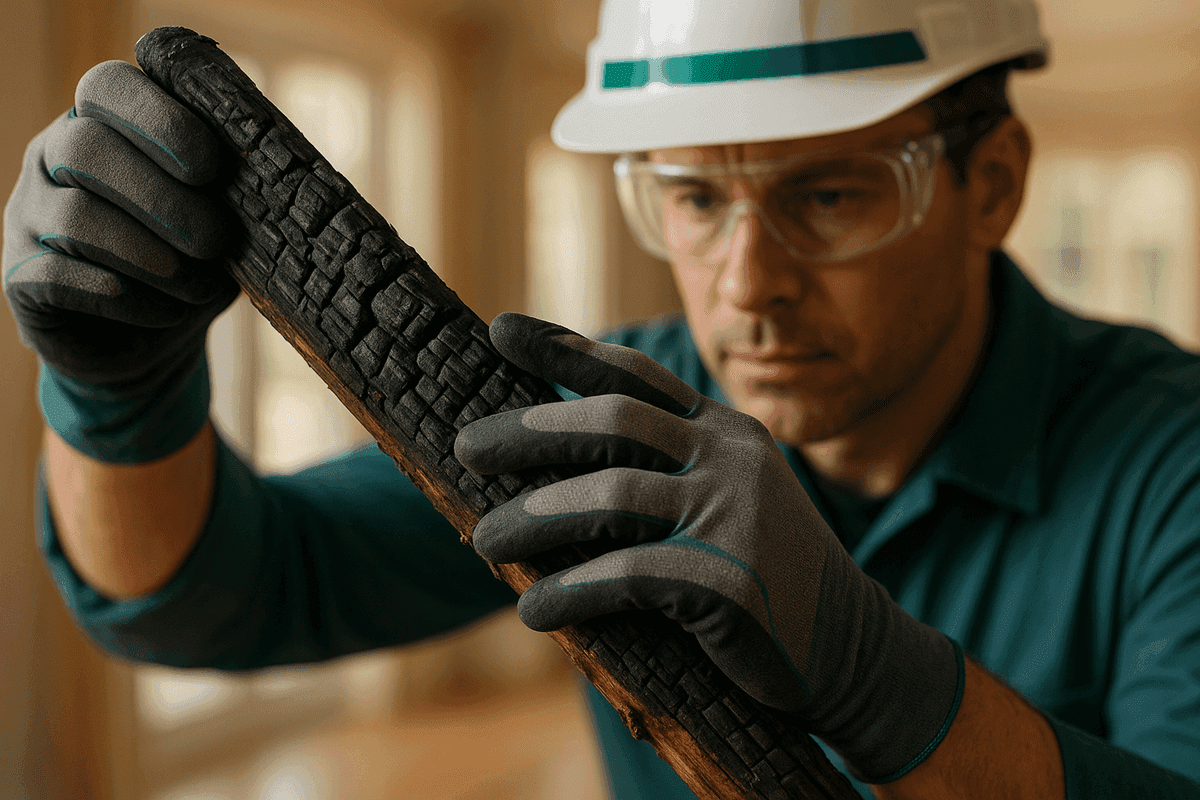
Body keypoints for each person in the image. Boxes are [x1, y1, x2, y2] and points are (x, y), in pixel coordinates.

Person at [4, 0, 1200, 796]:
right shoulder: (610, 415)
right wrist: (116, 388)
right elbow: (213, 596)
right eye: (692, 199)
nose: (749, 286)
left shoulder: (1171, 459)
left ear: (991, 183)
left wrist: (875, 674)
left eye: (832, 198)